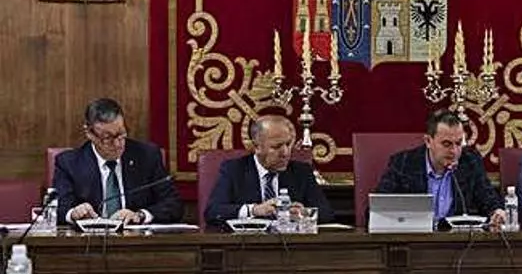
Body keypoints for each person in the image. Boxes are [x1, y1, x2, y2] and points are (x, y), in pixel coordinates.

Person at [54, 97, 182, 225]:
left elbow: (173, 205)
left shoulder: (147, 156)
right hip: (88, 237)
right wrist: (73, 213)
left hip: (135, 236)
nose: (117, 144)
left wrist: (140, 215)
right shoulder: (69, 163)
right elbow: (58, 208)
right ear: (89, 133)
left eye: (121, 134)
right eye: (107, 138)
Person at [373, 110, 505, 228]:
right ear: (428, 141)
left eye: (459, 143)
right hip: (414, 240)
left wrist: (497, 212)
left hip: (455, 241)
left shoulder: (470, 161)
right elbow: (376, 210)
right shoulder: (403, 163)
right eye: (447, 144)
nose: (454, 151)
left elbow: (488, 199)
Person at [203, 115, 333, 226]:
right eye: (276, 147)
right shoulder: (234, 170)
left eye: (288, 144)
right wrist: (254, 210)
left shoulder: (301, 172)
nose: (285, 153)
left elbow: (326, 213)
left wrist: (304, 213)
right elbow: (213, 212)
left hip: (291, 244)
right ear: (256, 147)